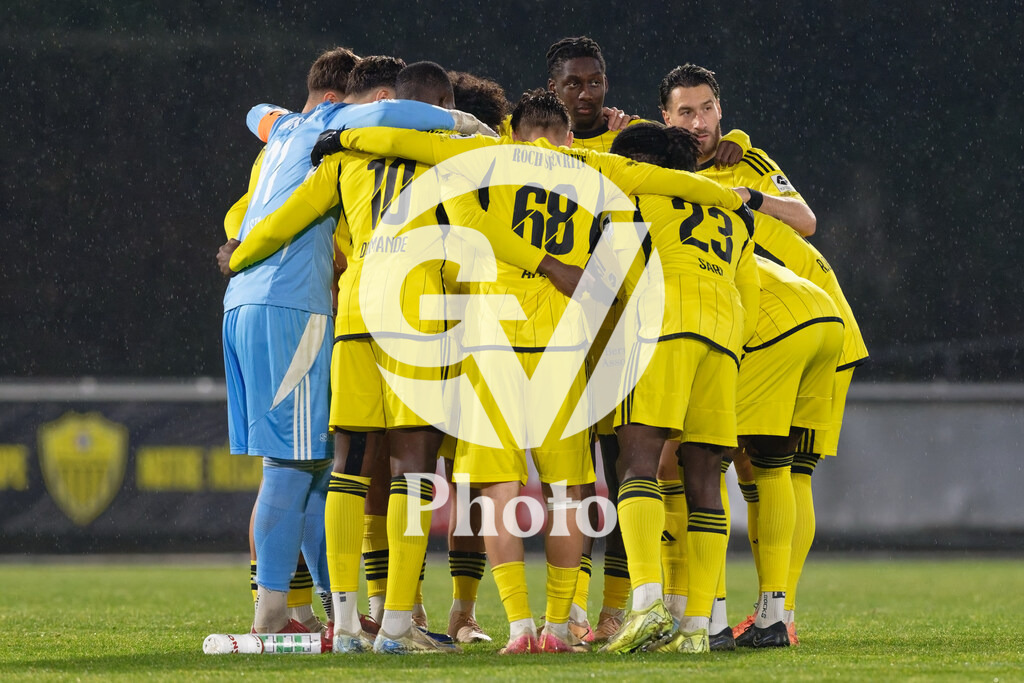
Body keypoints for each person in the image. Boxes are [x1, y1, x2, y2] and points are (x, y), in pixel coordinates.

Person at [658, 63, 869, 643]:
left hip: (779, 318)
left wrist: (749, 193)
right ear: (666, 118)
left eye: (706, 110)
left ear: (721, 112)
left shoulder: (742, 163)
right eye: (685, 112)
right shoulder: (669, 165)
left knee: (712, 460)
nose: (697, 122)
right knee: (780, 470)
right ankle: (779, 613)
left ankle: (714, 616)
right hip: (817, 317)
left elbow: (805, 219)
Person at [601, 122, 759, 654]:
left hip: (662, 325)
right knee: (705, 481)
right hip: (723, 337)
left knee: (638, 462)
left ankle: (644, 606)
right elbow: (750, 297)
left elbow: (611, 276)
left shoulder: (640, 194)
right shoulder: (735, 220)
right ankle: (696, 628)